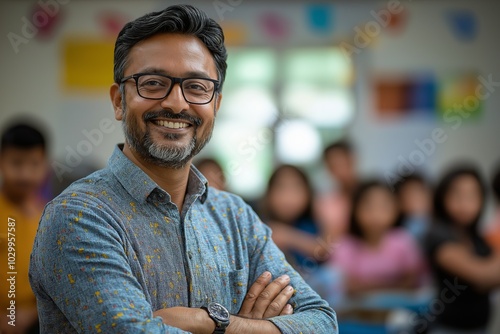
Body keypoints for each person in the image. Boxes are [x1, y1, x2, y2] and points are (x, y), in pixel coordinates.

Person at [29, 5, 337, 333]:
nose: (177, 103)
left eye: (197, 87)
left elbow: (322, 322)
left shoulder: (236, 218)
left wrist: (212, 322)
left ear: (216, 104)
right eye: (152, 83)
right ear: (119, 101)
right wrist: (252, 327)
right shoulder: (78, 216)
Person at [425, 166, 500, 334]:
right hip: (448, 328)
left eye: (472, 195)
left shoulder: (478, 238)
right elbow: (482, 277)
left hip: (480, 328)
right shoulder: (438, 235)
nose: (465, 203)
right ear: (442, 196)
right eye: (457, 195)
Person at [331, 180, 425, 297]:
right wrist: (392, 287)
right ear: (355, 210)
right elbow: (345, 285)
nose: (376, 214)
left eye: (384, 207)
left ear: (396, 210)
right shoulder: (345, 245)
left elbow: (413, 279)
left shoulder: (403, 240)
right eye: (368, 207)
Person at [0, 123, 48, 334]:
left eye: (34, 164)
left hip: (34, 322)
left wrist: (29, 314)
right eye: (16, 163)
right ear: (1, 161)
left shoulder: (48, 216)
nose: (25, 174)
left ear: (46, 165)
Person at [260, 165, 328, 273]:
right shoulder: (259, 226)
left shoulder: (312, 224)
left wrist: (288, 236)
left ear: (308, 194)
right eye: (281, 188)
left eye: (296, 189)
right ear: (269, 193)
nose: (288, 197)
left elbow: (323, 251)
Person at [314, 140, 358, 244]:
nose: (339, 170)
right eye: (333, 165)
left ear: (352, 160)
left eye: (343, 163)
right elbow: (327, 243)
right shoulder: (325, 203)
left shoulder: (371, 194)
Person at [394, 174, 432, 245]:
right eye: (410, 195)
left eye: (421, 192)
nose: (417, 199)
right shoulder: (396, 232)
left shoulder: (441, 226)